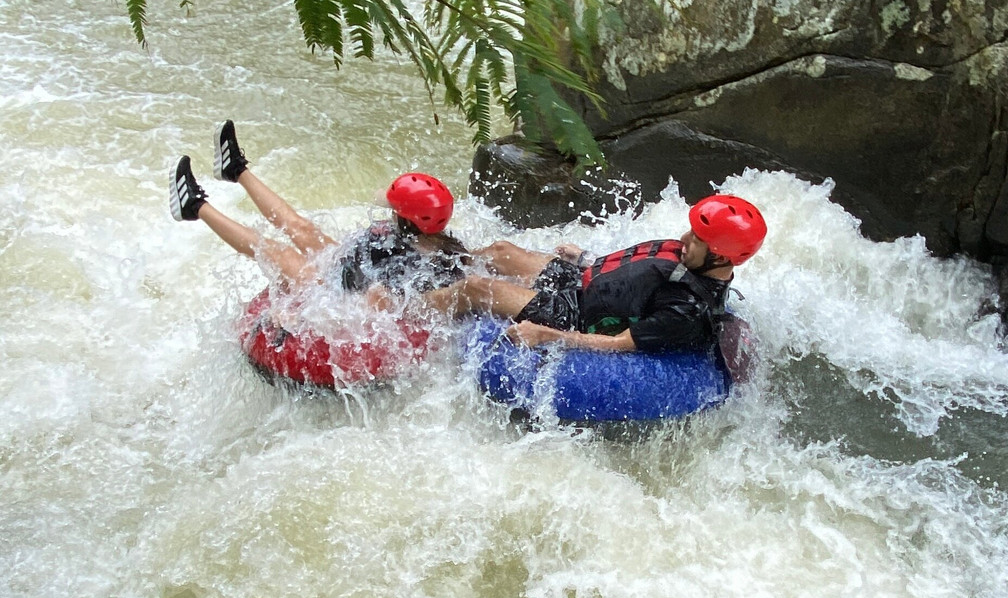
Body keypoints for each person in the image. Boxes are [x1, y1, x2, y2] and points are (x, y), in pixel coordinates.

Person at [411, 193, 767, 352]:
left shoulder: (686, 308)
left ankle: (405, 313)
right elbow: (636, 270)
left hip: (574, 314)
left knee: (476, 287)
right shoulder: (693, 256)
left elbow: (620, 343)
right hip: (581, 282)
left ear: (720, 258)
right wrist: (586, 259)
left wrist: (548, 336)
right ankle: (434, 261)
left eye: (698, 239)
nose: (684, 238)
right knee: (502, 251)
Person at [168, 120, 469, 295]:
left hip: (335, 296)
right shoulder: (441, 242)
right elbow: (382, 200)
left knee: (276, 251)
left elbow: (377, 303)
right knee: (300, 227)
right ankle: (235, 170)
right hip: (346, 268)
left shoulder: (416, 266)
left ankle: (194, 207)